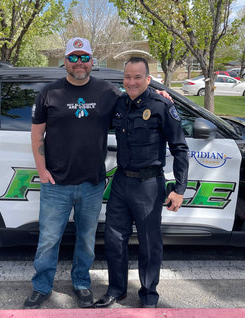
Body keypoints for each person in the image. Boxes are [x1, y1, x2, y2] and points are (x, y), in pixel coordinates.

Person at [24, 37, 122, 309]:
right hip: (56, 183)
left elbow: (135, 104)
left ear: (92, 61)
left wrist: (157, 94)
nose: (79, 62)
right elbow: (37, 135)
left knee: (87, 240)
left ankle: (81, 283)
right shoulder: (49, 93)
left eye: (84, 57)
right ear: (64, 61)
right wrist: (42, 170)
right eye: (73, 57)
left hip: (92, 183)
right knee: (49, 240)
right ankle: (41, 287)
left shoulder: (107, 92)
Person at [94, 56, 189, 309]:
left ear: (148, 79)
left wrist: (180, 189)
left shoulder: (161, 105)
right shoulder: (119, 104)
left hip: (148, 185)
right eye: (128, 77)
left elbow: (180, 148)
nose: (132, 82)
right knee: (113, 239)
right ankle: (117, 290)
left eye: (138, 77)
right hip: (122, 181)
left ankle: (148, 295)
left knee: (149, 243)